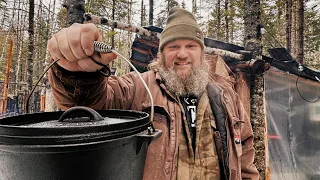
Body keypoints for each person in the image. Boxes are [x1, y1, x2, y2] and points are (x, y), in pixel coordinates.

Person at [47, 6, 259, 180]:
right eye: (173, 46)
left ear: (202, 53)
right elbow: (90, 102)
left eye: (191, 46)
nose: (182, 54)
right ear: (161, 54)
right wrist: (77, 73)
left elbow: (245, 163)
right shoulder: (137, 87)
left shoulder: (226, 97)